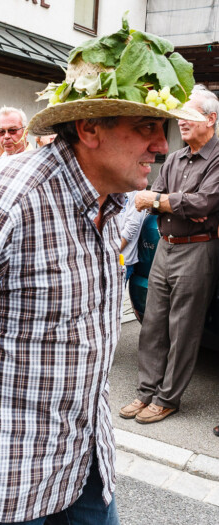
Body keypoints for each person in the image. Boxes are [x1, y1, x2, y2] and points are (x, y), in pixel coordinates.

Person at [0, 20, 204, 525]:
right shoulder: (1, 200)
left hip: (83, 454)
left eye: (165, 128)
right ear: (89, 129)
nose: (162, 145)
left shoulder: (108, 201)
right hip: (6, 474)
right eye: (146, 127)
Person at [120, 85, 219, 425]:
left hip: (198, 249)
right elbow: (151, 200)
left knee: (184, 329)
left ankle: (167, 399)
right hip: (166, 245)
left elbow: (204, 204)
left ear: (211, 119)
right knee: (152, 326)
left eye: (189, 116)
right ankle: (146, 391)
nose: (180, 121)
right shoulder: (175, 158)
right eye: (179, 116)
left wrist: (162, 201)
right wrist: (175, 203)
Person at [119, 191, 147, 283]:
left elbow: (131, 228)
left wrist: (112, 252)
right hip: (107, 256)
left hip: (122, 260)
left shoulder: (138, 191)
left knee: (115, 296)